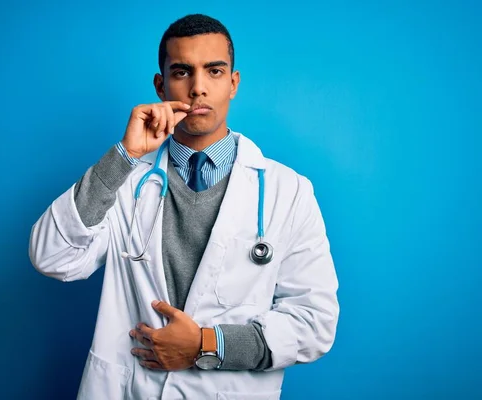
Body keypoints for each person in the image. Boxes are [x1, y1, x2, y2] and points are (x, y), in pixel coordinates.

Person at [29, 13, 339, 399]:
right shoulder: (125, 178)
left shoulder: (288, 191)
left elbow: (314, 323)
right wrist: (123, 157)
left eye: (213, 71)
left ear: (233, 83)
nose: (197, 89)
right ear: (161, 85)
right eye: (182, 72)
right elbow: (52, 257)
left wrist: (207, 345)